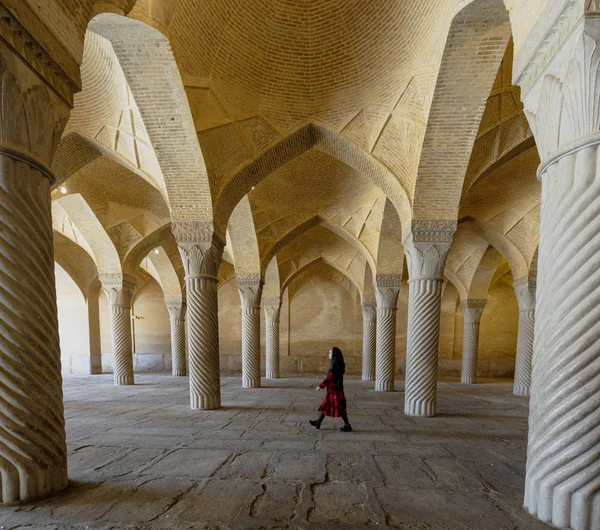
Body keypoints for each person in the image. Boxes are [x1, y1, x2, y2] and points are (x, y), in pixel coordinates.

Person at [310, 347, 352, 432]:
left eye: (330, 353)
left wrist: (320, 386)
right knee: (328, 405)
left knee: (338, 407)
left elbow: (330, 377)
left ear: (334, 355)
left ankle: (347, 425)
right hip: (336, 389)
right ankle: (318, 422)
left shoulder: (334, 365)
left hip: (334, 390)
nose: (328, 354)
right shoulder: (339, 363)